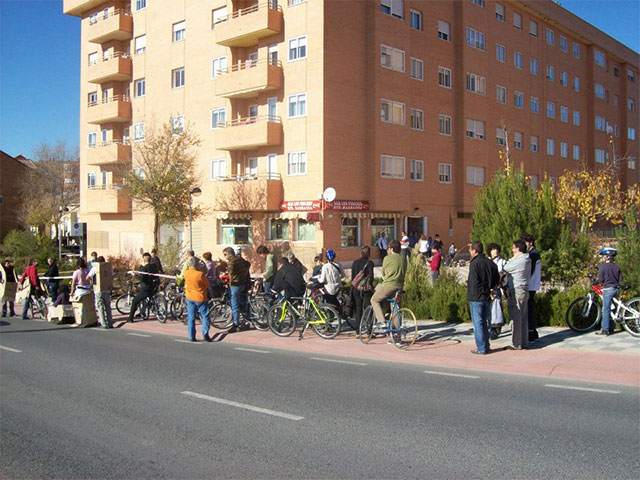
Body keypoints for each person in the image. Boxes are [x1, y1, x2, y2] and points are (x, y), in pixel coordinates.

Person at [467, 241, 500, 355]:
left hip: (476, 297)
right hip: (487, 296)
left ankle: (481, 347)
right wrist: (491, 289)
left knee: (478, 323)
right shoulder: (490, 263)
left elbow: (474, 282)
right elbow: (497, 279)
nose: (470, 252)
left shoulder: (474, 263)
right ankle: (486, 345)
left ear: (475, 251)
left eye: (471, 250)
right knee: (485, 322)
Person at [504, 240, 531, 350]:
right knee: (523, 317)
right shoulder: (527, 259)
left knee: (516, 317)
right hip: (524, 289)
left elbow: (506, 267)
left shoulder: (519, 260)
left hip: (516, 290)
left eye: (513, 248)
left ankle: (516, 343)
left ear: (518, 249)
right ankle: (524, 342)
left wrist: (513, 258)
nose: (512, 250)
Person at [371, 240, 406, 326]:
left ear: (392, 249)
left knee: (374, 300)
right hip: (399, 285)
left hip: (389, 285)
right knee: (394, 307)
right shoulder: (404, 259)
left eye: (389, 248)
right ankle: (397, 334)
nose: (388, 250)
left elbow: (383, 273)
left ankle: (381, 321)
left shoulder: (387, 258)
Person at [184, 256, 212, 342]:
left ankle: (191, 336)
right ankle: (205, 333)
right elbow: (207, 284)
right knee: (205, 315)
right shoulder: (200, 274)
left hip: (190, 296)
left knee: (191, 317)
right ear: (196, 264)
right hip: (200, 297)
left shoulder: (186, 272)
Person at [224, 247, 251, 333]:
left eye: (225, 255)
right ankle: (246, 321)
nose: (225, 257)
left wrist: (228, 277)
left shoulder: (231, 262)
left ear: (229, 254)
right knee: (243, 303)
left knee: (235, 305)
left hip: (235, 285)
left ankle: (235, 324)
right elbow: (248, 264)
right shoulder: (241, 260)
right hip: (243, 284)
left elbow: (231, 272)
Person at [596, 247, 623, 336]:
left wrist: (597, 281)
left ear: (608, 257)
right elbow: (620, 279)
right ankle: (612, 327)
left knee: (606, 309)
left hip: (608, 289)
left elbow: (601, 279)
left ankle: (605, 329)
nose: (603, 257)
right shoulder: (616, 267)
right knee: (613, 308)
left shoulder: (603, 266)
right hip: (616, 289)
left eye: (604, 256)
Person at [128, 252, 160, 323]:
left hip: (146, 289)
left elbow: (142, 278)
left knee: (135, 301)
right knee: (145, 299)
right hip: (154, 287)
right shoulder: (154, 266)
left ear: (144, 259)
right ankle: (142, 311)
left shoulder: (144, 268)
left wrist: (134, 275)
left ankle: (130, 318)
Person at [351, 246, 374, 332]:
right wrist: (370, 285)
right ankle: (369, 330)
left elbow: (353, 277)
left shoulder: (355, 262)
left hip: (357, 288)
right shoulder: (370, 263)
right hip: (366, 288)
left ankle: (357, 331)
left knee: (358, 309)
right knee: (368, 308)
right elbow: (371, 276)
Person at [523, 234, 541, 342]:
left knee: (529, 309)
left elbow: (530, 270)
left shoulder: (533, 254)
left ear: (530, 243)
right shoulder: (532, 253)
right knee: (530, 308)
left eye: (526, 242)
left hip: (530, 285)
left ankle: (531, 332)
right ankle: (533, 332)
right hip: (532, 285)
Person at [488, 243, 507, 339]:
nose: (495, 251)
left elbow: (506, 276)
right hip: (488, 289)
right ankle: (489, 328)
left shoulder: (502, 262)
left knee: (497, 309)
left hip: (497, 288)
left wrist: (501, 284)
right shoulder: (487, 261)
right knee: (489, 310)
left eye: (496, 249)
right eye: (493, 249)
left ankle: (496, 329)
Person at [88, 256, 113, 329]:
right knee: (108, 307)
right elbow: (111, 277)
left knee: (100, 307)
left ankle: (103, 323)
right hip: (107, 290)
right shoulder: (108, 268)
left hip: (98, 290)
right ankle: (110, 323)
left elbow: (88, 276)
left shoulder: (95, 268)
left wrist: (92, 282)